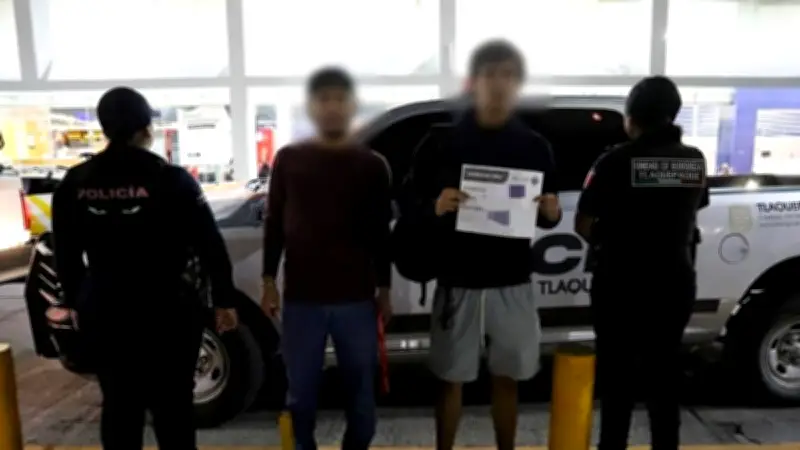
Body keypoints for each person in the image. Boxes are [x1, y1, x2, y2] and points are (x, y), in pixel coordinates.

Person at [50, 86, 239, 450]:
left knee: (120, 407)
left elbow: (67, 258)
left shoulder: (75, 183)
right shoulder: (172, 179)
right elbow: (210, 245)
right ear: (146, 128)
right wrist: (224, 301)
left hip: (106, 312)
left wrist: (78, 305)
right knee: (173, 409)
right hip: (167, 312)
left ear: (104, 127)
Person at [403, 40, 561, 450]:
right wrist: (435, 205)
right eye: (490, 74)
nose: (498, 83)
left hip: (512, 279)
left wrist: (551, 213)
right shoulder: (441, 143)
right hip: (458, 280)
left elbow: (548, 212)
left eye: (507, 75)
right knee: (450, 379)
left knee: (508, 378)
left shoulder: (534, 147)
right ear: (474, 82)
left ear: (518, 83)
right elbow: (409, 202)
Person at [260, 67, 393, 450]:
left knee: (361, 396)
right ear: (312, 107)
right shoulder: (289, 160)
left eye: (340, 99)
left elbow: (380, 235)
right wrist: (268, 281)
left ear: (352, 106)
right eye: (324, 99)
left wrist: (385, 290)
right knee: (300, 394)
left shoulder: (372, 165)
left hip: (357, 300)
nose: (332, 107)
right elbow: (274, 223)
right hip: (303, 301)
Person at [574, 76, 710, 450]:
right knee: (663, 381)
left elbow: (583, 223)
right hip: (674, 284)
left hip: (620, 285)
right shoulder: (693, 160)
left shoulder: (613, 161)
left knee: (617, 383)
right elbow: (694, 207)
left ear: (631, 117)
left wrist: (610, 239)